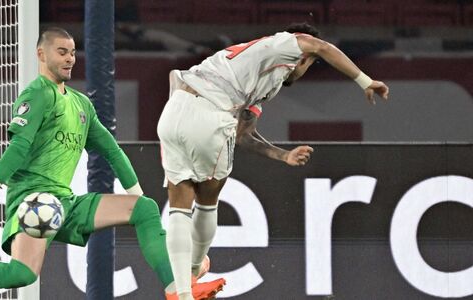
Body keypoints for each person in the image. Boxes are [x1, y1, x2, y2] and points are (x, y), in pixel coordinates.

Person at [0, 27, 224, 300]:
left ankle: (177, 290)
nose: (70, 58)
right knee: (21, 274)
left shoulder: (81, 104)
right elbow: (17, 150)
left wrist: (138, 201)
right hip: (33, 201)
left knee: (144, 208)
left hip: (64, 202)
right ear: (41, 54)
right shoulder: (36, 96)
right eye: (62, 52)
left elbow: (112, 152)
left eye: (72, 52)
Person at [157, 23, 389, 299]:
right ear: (303, 55)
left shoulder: (261, 77)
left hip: (173, 112)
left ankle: (181, 289)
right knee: (208, 200)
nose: (306, 70)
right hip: (210, 112)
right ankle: (192, 277)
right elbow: (322, 47)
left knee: (179, 204)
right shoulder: (283, 44)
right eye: (310, 64)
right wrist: (365, 80)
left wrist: (284, 155)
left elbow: (244, 136)